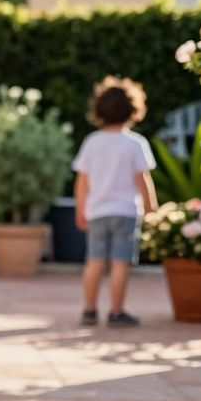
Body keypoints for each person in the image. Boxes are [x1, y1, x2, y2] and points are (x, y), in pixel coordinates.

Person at [73, 76, 158, 327]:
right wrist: (151, 207)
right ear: (133, 110)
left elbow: (82, 182)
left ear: (99, 110)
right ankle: (116, 312)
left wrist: (80, 210)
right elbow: (142, 180)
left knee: (94, 261)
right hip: (126, 212)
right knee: (121, 261)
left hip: (97, 211)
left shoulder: (92, 142)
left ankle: (89, 311)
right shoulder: (135, 144)